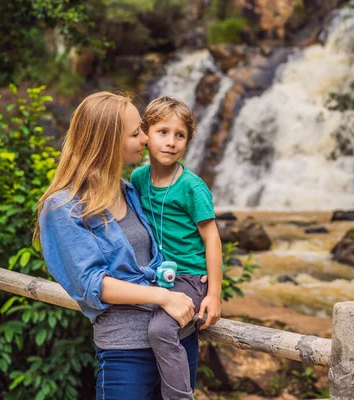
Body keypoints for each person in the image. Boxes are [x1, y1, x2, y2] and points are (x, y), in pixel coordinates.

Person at [33, 92, 199, 400]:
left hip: (177, 336)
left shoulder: (129, 190)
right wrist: (163, 296)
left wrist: (202, 282)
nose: (147, 137)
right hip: (128, 351)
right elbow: (92, 284)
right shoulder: (63, 208)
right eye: (136, 132)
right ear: (109, 141)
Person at [130, 96, 223, 400]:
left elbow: (212, 238)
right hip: (156, 275)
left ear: (188, 141)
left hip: (189, 277)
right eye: (162, 132)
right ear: (145, 134)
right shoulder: (138, 178)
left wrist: (213, 295)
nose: (171, 142)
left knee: (160, 330)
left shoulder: (192, 187)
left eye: (179, 135)